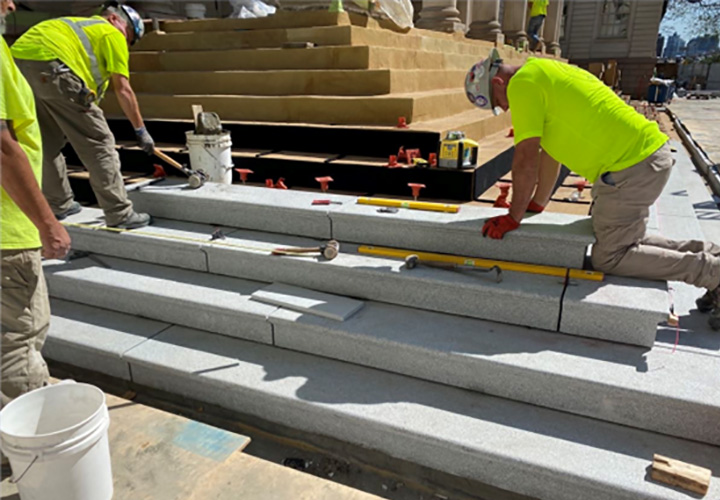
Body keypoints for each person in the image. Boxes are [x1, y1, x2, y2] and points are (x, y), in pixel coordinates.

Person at [464, 49, 720, 330]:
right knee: (625, 239)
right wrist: (537, 203)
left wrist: (513, 217)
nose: (505, 108)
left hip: (630, 168)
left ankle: (713, 273)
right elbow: (550, 155)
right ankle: (711, 255)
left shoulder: (523, 85)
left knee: (610, 256)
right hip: (644, 158)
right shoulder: (542, 72)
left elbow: (525, 159)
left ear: (498, 84)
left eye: (498, 103)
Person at [11, 1, 153, 229]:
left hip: (18, 64)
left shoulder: (78, 27)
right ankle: (119, 213)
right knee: (99, 143)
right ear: (114, 19)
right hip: (54, 67)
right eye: (128, 38)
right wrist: (141, 130)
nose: (126, 44)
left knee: (46, 141)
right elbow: (123, 89)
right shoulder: (110, 33)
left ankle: (59, 203)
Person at [1, 0, 72, 406]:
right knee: (17, 342)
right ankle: (21, 455)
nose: (10, 4)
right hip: (6, 234)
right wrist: (47, 223)